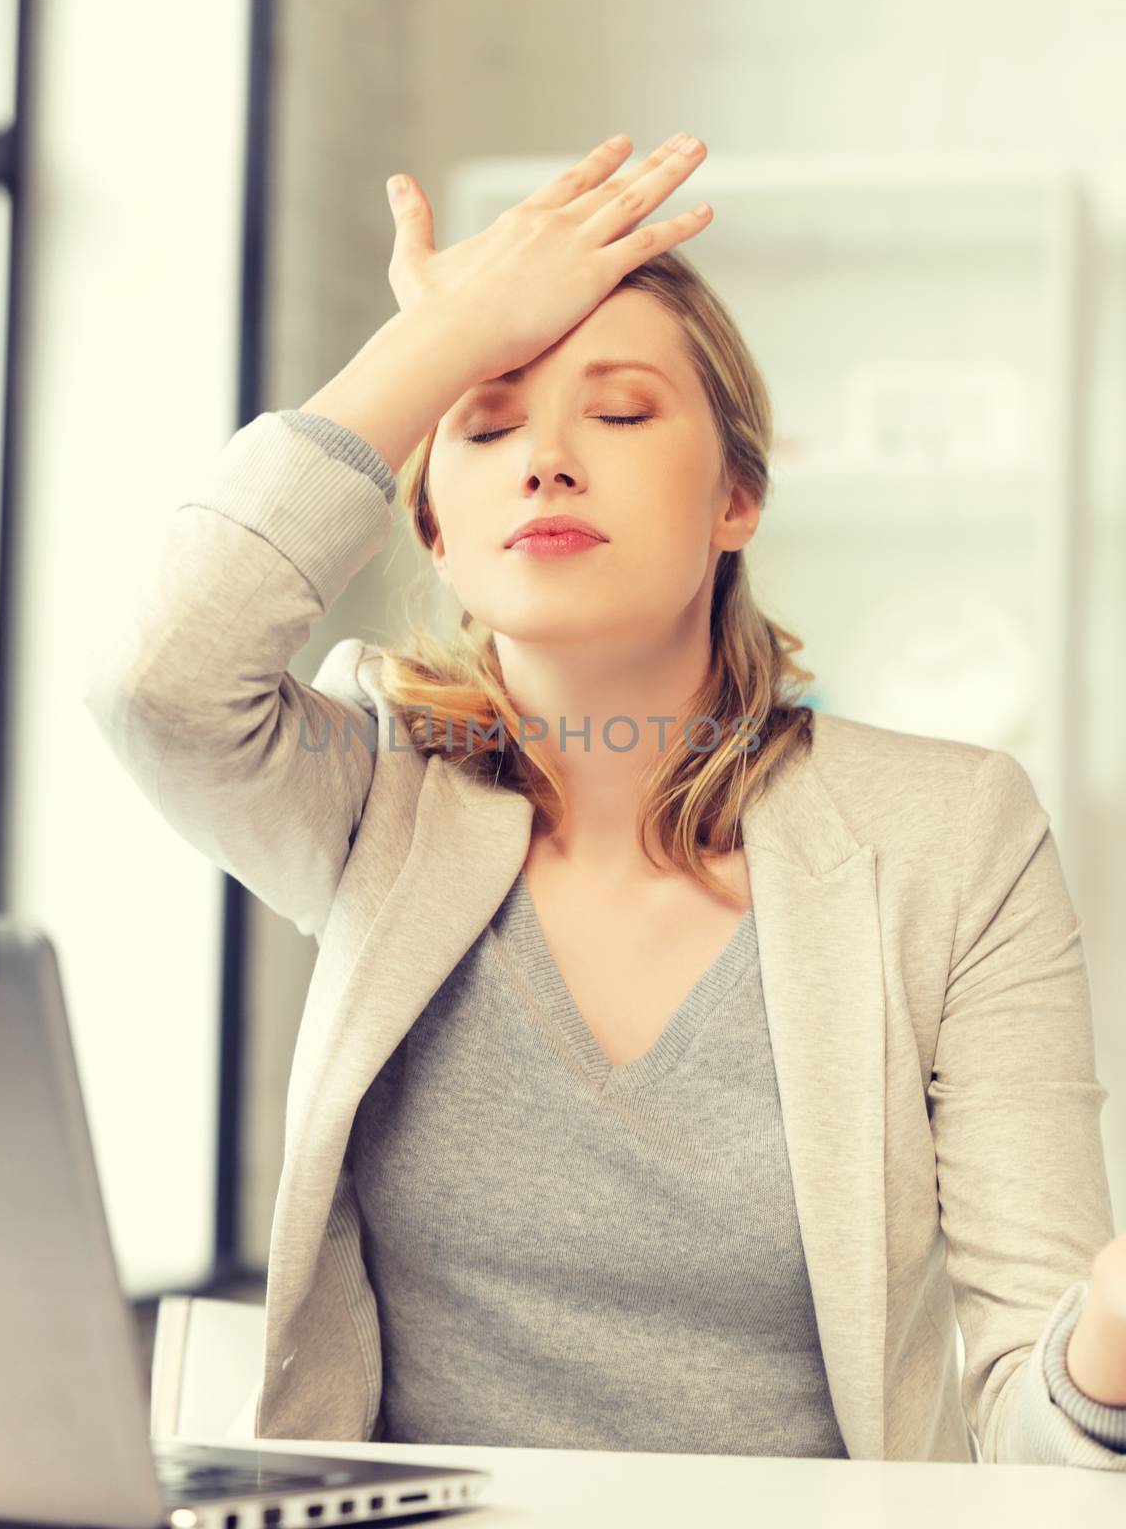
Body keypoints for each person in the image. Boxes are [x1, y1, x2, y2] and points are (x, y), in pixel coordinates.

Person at [82, 131, 1126, 1465]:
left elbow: (1035, 1442)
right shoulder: (373, 791)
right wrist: (434, 346)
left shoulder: (951, 834)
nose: (549, 460)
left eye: (622, 412)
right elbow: (152, 680)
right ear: (436, 532)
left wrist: (1106, 1328)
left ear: (736, 495)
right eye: (490, 420)